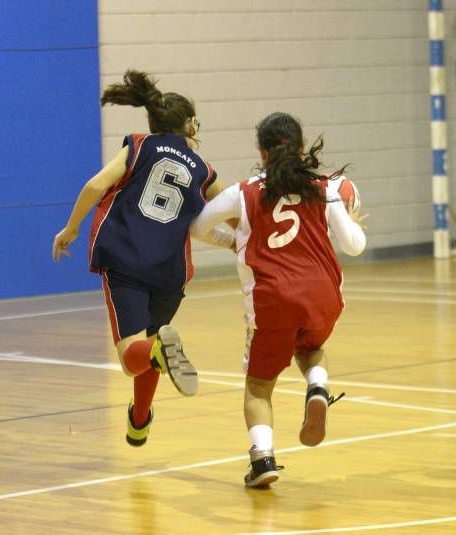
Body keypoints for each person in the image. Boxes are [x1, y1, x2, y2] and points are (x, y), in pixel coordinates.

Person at [190, 112, 368, 487]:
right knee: (311, 344)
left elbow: (197, 227)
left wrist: (232, 241)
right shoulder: (325, 186)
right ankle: (317, 386)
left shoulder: (243, 192)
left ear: (261, 151)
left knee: (259, 385)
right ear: (302, 148)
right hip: (323, 295)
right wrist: (354, 223)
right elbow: (353, 247)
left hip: (273, 298)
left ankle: (262, 461)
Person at [52, 70, 227, 447]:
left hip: (127, 261)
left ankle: (154, 371)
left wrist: (70, 229)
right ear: (189, 123)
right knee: (153, 348)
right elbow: (233, 207)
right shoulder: (202, 168)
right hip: (170, 273)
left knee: (134, 354)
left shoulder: (139, 145)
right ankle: (139, 420)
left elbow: (95, 185)